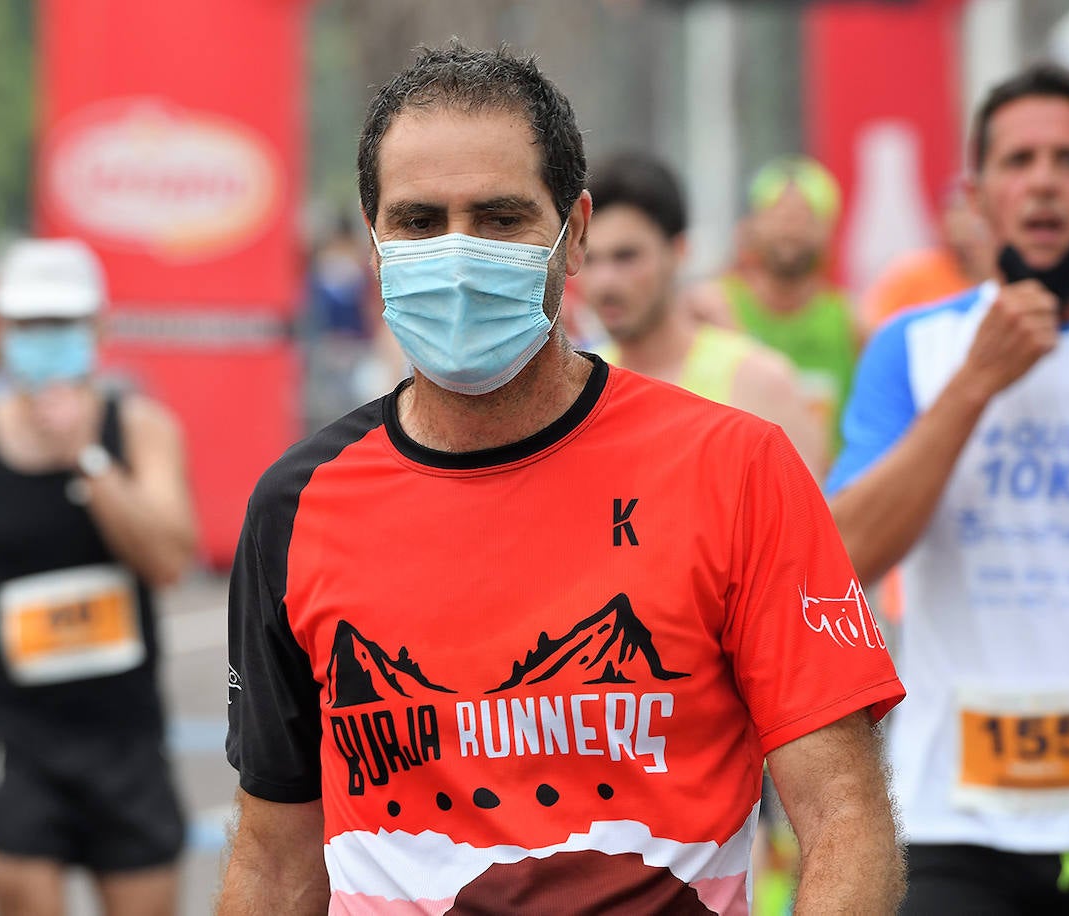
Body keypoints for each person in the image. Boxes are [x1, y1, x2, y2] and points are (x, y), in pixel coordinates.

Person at [220, 41, 905, 916]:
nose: (458, 257)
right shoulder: (296, 505)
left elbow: (845, 821)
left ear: (573, 233)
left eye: (501, 218)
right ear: (374, 239)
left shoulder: (736, 468)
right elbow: (275, 867)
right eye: (421, 221)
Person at [827, 62, 1069, 914]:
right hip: (952, 815)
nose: (1045, 182)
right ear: (977, 197)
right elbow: (839, 559)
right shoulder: (913, 350)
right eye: (1020, 162)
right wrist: (975, 386)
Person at [0, 238, 197, 916]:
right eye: (28, 327)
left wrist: (87, 460)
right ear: (1, 333)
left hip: (125, 737)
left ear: (96, 328)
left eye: (60, 325)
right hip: (16, 737)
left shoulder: (142, 431)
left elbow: (167, 560)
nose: (44, 341)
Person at [583, 152, 826, 481]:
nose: (604, 282)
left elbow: (808, 521)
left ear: (679, 251)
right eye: (590, 259)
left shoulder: (756, 379)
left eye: (626, 257)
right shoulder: (581, 381)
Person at [690, 156, 859, 458]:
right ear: (750, 226)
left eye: (805, 216)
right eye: (777, 214)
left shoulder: (852, 324)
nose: (789, 227)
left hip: (821, 494)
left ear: (828, 230)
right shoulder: (709, 308)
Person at [860, 179, 994, 332]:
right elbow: (872, 325)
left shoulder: (1005, 274)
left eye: (969, 211)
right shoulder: (913, 273)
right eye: (954, 211)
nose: (962, 221)